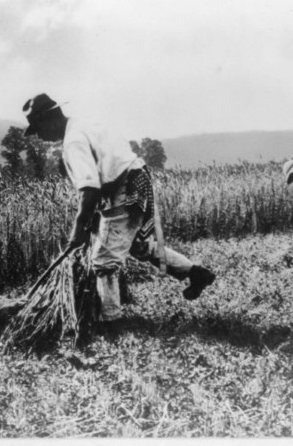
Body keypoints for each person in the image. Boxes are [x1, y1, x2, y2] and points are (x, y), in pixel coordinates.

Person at [22, 93, 216, 322]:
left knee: (104, 260)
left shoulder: (73, 141)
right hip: (137, 179)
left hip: (126, 186)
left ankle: (111, 321)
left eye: (39, 129)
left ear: (50, 119)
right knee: (139, 246)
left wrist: (79, 228)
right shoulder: (86, 125)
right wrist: (95, 215)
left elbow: (90, 189)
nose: (40, 136)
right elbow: (106, 173)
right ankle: (196, 273)